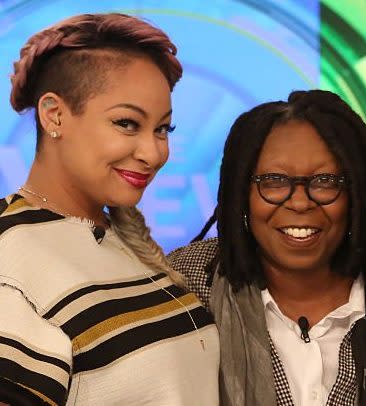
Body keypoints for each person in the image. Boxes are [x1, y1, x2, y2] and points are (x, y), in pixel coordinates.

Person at [0, 13, 219, 405]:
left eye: (163, 129)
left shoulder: (119, 235)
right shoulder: (10, 270)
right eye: (127, 123)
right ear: (55, 115)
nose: (154, 152)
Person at [168, 90, 366, 406]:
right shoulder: (184, 285)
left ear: (355, 193)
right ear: (242, 193)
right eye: (274, 181)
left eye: (325, 181)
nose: (301, 202)